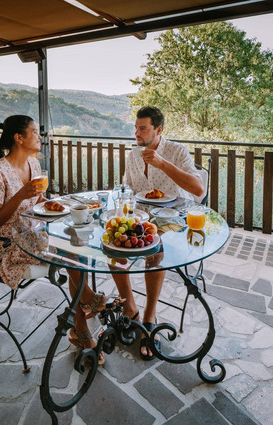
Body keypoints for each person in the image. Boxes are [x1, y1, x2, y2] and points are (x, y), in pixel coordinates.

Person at [0, 114, 116, 365]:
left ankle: (81, 325)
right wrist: (21, 194)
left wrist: (57, 205)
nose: (39, 136)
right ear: (19, 138)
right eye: (34, 132)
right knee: (69, 248)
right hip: (6, 242)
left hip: (33, 231)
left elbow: (38, 203)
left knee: (76, 239)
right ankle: (86, 308)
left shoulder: (33, 165)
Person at [112, 106, 204, 360]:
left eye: (143, 128)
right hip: (140, 218)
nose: (137, 133)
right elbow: (128, 190)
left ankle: (149, 318)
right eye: (136, 128)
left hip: (173, 220)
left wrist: (162, 164)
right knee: (113, 247)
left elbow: (198, 190)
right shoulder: (133, 154)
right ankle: (130, 310)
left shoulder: (176, 151)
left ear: (158, 130)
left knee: (156, 249)